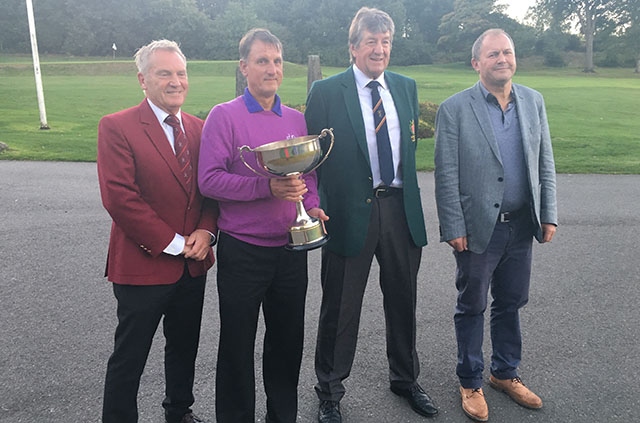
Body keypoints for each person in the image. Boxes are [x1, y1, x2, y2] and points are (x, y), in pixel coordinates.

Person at [305, 7, 438, 422]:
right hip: (348, 213)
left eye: (385, 42)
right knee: (340, 306)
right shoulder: (327, 92)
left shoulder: (406, 87)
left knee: (403, 299)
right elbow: (312, 159)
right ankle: (329, 390)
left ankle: (405, 378)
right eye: (370, 42)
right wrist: (316, 204)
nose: (379, 50)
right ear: (353, 47)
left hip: (400, 210)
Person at [198, 28, 328, 423]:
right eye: (261, 61)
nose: (271, 69)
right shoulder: (225, 116)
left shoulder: (295, 117)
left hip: (290, 251)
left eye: (276, 61)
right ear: (244, 67)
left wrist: (313, 206)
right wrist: (265, 187)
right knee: (237, 345)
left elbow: (307, 178)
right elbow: (210, 180)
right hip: (244, 251)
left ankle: (282, 417)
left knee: (287, 345)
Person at [433, 28, 558, 422]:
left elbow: (545, 162)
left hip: (522, 226)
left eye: (507, 52)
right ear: (477, 63)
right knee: (472, 305)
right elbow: (446, 174)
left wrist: (549, 212)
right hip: (477, 229)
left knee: (511, 302)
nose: (501, 59)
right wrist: (453, 225)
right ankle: (470, 380)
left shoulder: (533, 102)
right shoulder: (455, 109)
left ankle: (505, 372)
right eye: (493, 54)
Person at [97, 40, 218, 423]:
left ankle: (178, 412)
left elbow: (211, 191)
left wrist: (206, 231)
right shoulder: (117, 127)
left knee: (183, 348)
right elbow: (120, 198)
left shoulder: (200, 129)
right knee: (130, 357)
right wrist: (176, 243)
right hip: (143, 266)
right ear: (142, 80)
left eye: (180, 73)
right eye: (164, 73)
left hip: (192, 266)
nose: (175, 81)